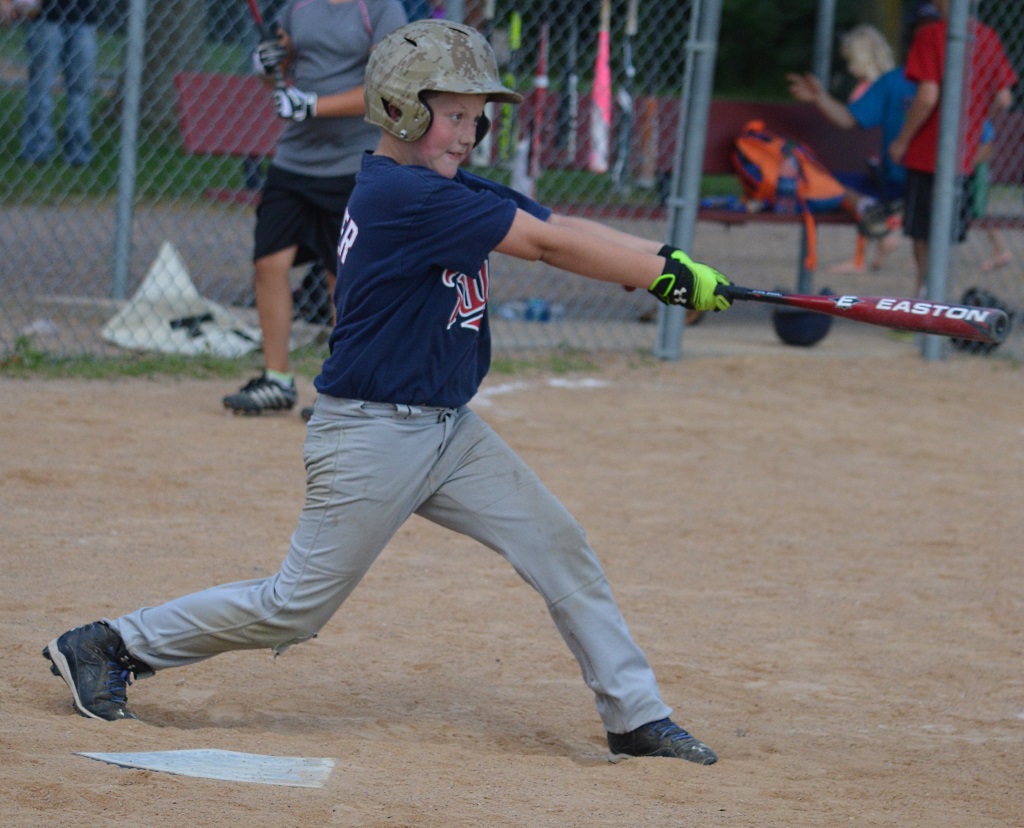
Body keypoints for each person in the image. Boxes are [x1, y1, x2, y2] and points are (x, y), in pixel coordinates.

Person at [43, 19, 732, 766]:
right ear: (400, 107)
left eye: (477, 118)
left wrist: (667, 260)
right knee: (294, 609)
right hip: (371, 433)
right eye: (454, 114)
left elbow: (554, 220)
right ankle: (112, 644)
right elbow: (546, 245)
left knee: (559, 545)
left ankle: (636, 716)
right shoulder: (406, 194)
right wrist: (661, 278)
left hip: (447, 431)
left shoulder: (443, 185)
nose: (469, 133)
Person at [222, 0, 408, 417]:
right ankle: (277, 379)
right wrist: (264, 63)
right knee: (269, 263)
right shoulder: (299, 6)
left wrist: (312, 105)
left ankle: (346, 389)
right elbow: (281, 60)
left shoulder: (381, 9)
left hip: (352, 163)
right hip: (295, 159)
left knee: (341, 276)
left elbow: (388, 90)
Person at [888, 0, 1017, 297]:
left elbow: (927, 96)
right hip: (964, 154)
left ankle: (924, 291)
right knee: (946, 229)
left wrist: (902, 140)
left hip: (927, 152)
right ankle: (940, 289)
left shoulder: (931, 35)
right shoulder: (986, 36)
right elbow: (1004, 98)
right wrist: (974, 122)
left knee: (921, 230)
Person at [786, 21, 924, 273]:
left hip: (920, 182)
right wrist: (820, 97)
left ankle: (883, 221)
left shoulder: (946, 83)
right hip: (894, 182)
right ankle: (880, 215)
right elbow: (849, 118)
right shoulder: (894, 81)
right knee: (831, 181)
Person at [16, 0, 99, 166]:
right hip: (46, 16)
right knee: (41, 87)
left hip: (85, 16)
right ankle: (37, 149)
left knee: (81, 90)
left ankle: (78, 152)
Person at [973, 119, 1012, 272]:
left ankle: (1000, 250)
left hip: (975, 171)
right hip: (971, 170)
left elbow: (987, 147)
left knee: (980, 211)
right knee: (980, 211)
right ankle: (1000, 249)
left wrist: (969, 164)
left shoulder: (980, 121)